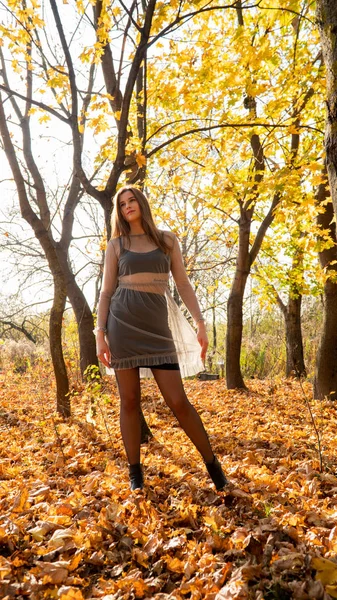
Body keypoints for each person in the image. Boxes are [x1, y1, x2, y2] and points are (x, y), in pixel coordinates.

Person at [95, 185, 228, 492]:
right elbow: (105, 292)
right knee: (129, 401)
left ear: (142, 203)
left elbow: (182, 284)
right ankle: (135, 475)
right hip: (122, 327)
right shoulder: (116, 245)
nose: (128, 206)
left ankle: (214, 468)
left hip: (158, 330)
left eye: (132, 200)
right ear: (119, 211)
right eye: (122, 203)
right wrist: (100, 334)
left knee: (179, 401)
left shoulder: (167, 241)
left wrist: (201, 324)